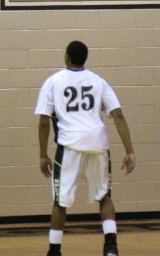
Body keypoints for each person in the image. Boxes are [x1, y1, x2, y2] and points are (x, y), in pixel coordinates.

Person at [35, 40, 137, 256]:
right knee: (104, 196)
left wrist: (43, 155)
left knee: (60, 201)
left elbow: (44, 121)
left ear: (66, 56)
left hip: (70, 144)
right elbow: (118, 114)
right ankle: (111, 247)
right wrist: (130, 151)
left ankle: (54, 250)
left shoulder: (53, 81)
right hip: (98, 143)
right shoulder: (98, 81)